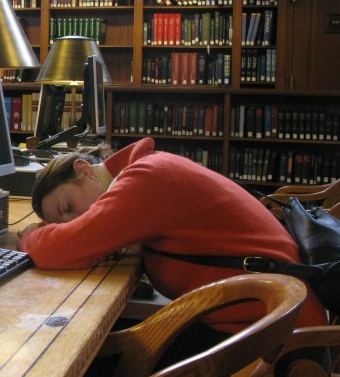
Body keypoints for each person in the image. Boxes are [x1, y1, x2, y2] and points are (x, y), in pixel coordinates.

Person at [17, 137, 328, 332]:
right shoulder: (147, 169)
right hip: (270, 322)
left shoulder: (146, 179)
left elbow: (62, 248)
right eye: (60, 221)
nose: (72, 220)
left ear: (84, 169)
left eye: (68, 207)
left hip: (278, 342)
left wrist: (29, 236)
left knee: (91, 361)